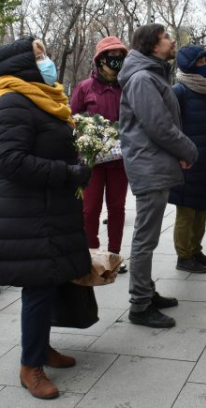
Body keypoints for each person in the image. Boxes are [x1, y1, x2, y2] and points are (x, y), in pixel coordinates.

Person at [0, 37, 92, 399]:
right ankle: (30, 367)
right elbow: (10, 161)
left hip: (48, 206)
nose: (47, 61)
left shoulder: (41, 98)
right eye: (39, 56)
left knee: (50, 281)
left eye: (45, 53)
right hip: (28, 211)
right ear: (21, 65)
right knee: (38, 286)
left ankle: (42, 348)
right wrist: (67, 172)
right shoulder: (11, 102)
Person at [119, 24, 198, 328]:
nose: (171, 41)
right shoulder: (142, 78)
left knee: (147, 237)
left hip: (153, 162)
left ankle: (146, 291)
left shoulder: (150, 74)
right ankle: (139, 305)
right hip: (148, 165)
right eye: (166, 37)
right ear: (153, 45)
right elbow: (159, 126)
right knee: (145, 238)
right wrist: (189, 150)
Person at [70, 36, 129, 273]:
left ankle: (114, 255)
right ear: (100, 60)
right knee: (90, 209)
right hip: (92, 162)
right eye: (112, 57)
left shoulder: (127, 87)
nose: (117, 61)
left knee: (117, 208)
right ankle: (91, 254)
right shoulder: (85, 88)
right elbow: (71, 121)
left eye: (120, 57)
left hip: (119, 162)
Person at [169, 46, 206, 273]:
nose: (205, 65)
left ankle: (195, 250)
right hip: (187, 162)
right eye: (201, 61)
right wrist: (182, 154)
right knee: (186, 210)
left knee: (202, 208)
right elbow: (173, 128)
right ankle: (183, 257)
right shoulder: (179, 91)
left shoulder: (205, 89)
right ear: (190, 63)